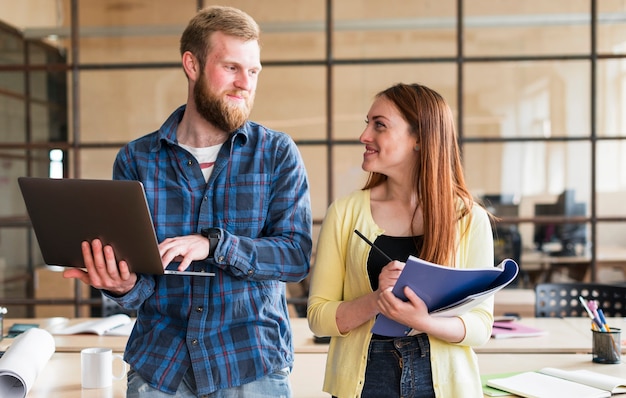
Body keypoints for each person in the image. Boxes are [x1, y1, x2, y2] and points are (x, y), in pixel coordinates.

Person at [63, 5, 312, 397]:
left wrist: (213, 243)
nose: (244, 82)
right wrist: (121, 284)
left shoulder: (276, 153)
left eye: (253, 71)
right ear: (191, 64)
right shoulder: (136, 159)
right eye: (231, 67)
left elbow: (295, 257)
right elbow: (139, 285)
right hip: (161, 369)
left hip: (249, 366)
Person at [307, 83, 494, 398]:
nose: (364, 135)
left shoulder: (468, 218)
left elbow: (480, 326)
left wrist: (422, 321)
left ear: (419, 138)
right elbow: (318, 318)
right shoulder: (344, 213)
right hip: (365, 380)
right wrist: (376, 299)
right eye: (367, 123)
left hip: (444, 383)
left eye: (379, 125)